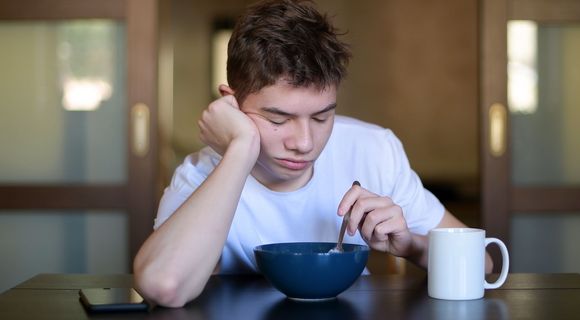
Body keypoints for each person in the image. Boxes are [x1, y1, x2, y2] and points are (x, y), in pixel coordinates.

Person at [134, 0, 489, 308]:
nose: (304, 142)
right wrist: (240, 150)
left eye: (322, 116)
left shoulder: (373, 149)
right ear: (232, 101)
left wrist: (410, 245)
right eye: (278, 118)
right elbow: (164, 285)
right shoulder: (200, 174)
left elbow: (483, 264)